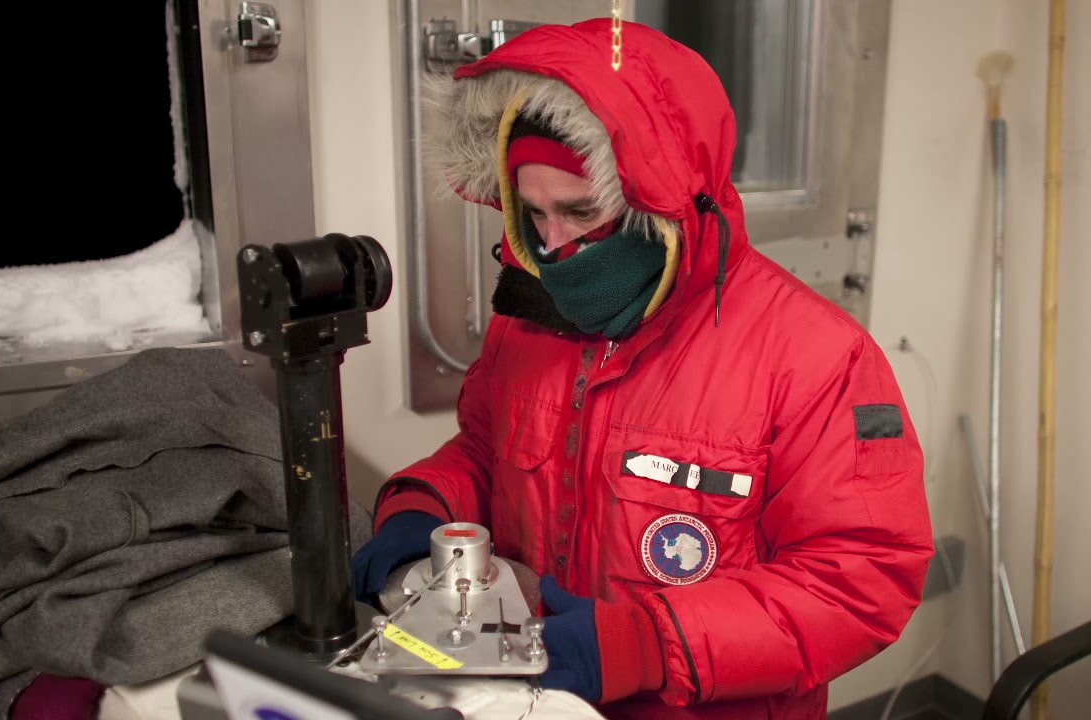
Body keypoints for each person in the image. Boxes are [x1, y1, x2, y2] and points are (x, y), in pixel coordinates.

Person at [352, 18, 933, 720]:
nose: (555, 247)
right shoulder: (530, 316)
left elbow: (859, 581)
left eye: (582, 212)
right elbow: (486, 452)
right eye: (532, 214)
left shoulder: (817, 356)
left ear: (665, 200)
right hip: (538, 703)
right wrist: (426, 512)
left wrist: (644, 646)